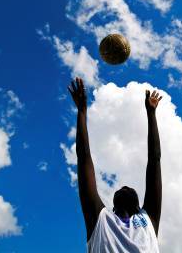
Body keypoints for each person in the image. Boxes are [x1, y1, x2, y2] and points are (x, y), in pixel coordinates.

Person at [68, 77, 162, 253]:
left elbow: (155, 160)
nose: (125, 187)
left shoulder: (148, 219)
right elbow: (83, 157)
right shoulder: (101, 219)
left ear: (137, 206)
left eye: (126, 189)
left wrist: (152, 115)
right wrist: (81, 111)